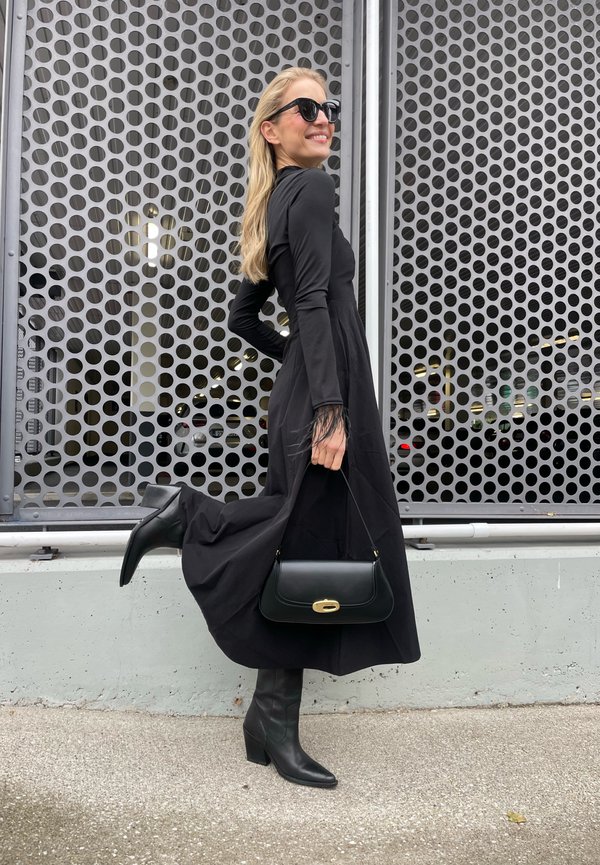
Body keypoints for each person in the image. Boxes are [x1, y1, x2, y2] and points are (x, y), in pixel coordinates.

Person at [119, 67, 420, 789]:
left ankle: (268, 719)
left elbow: (244, 318)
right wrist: (328, 405)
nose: (324, 117)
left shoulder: (278, 201)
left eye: (330, 106)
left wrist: (297, 376)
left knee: (303, 545)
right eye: (306, 107)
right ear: (272, 128)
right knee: (303, 537)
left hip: (309, 386)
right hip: (326, 392)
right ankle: (190, 513)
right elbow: (311, 304)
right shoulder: (311, 191)